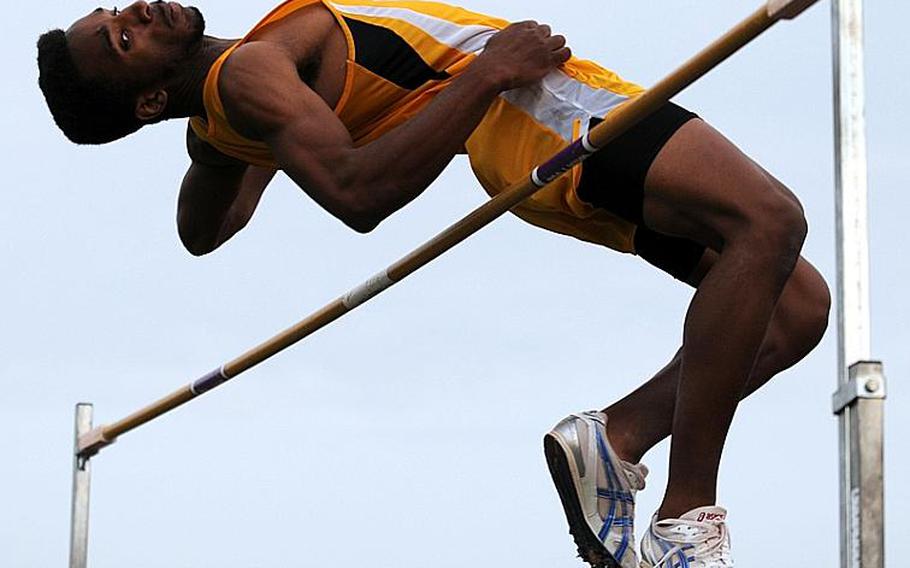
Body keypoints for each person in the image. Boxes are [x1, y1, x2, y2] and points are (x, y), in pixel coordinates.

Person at [37, 1, 830, 566]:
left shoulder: (233, 102)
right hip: (534, 108)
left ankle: (614, 438)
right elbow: (357, 195)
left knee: (795, 309)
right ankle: (688, 515)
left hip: (515, 134)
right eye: (123, 39)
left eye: (122, 12)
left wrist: (217, 145)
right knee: (767, 219)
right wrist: (488, 73)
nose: (138, 13)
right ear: (147, 95)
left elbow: (201, 232)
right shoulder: (248, 76)